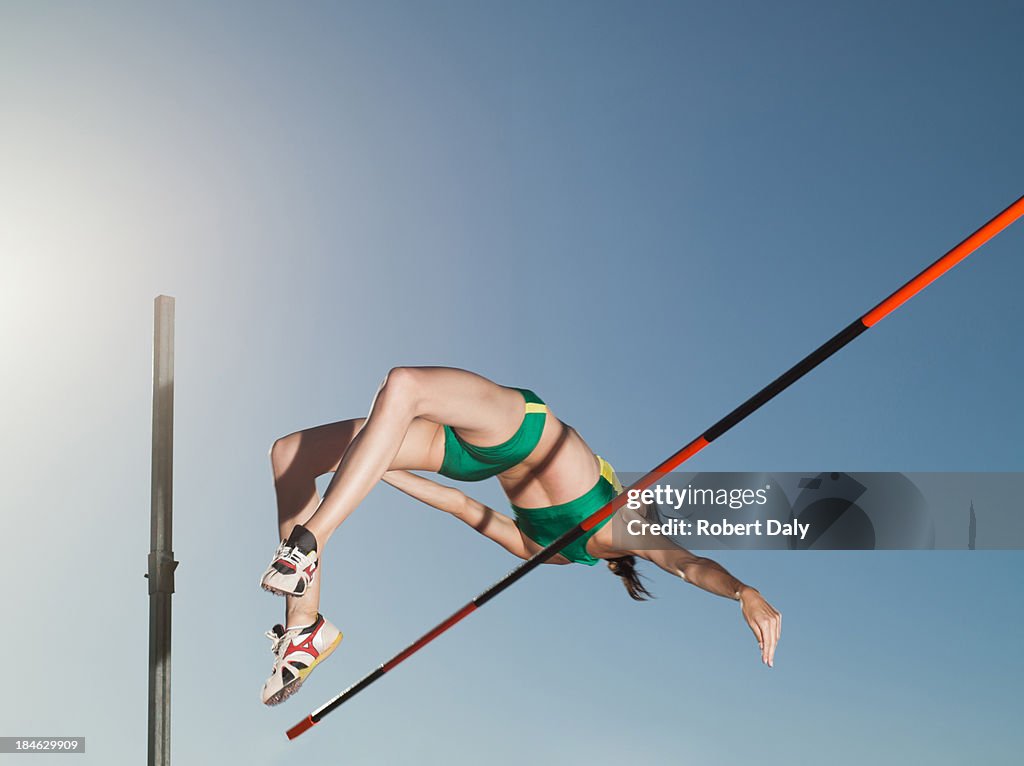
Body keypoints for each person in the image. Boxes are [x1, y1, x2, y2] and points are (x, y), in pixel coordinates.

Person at [259, 366, 782, 705]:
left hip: (480, 453)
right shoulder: (599, 526)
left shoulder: (601, 539)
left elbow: (689, 565)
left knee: (403, 386)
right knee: (291, 455)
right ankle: (305, 627)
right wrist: (372, 466)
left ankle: (309, 542)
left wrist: (742, 591)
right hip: (507, 429)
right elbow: (461, 505)